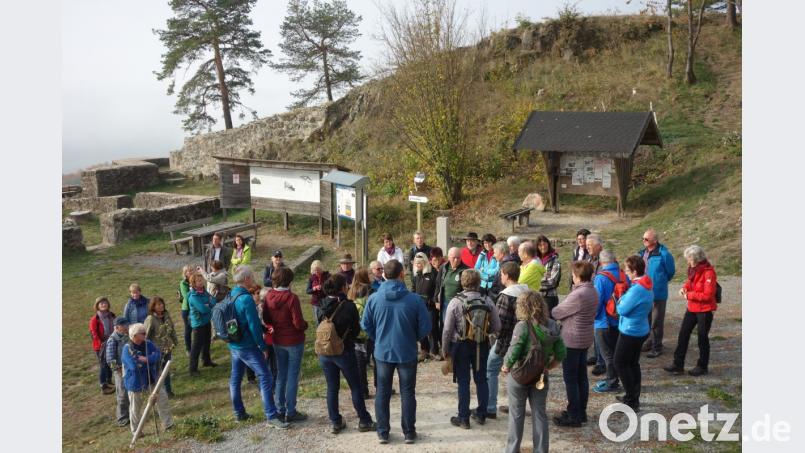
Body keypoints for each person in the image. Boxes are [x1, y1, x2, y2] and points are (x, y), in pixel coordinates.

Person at [362, 259, 431, 444]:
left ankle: (383, 432)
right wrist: (413, 337)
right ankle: (409, 432)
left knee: (382, 392)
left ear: (384, 274)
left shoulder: (374, 298)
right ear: (402, 274)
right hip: (406, 351)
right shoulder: (414, 299)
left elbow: (365, 324)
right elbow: (426, 326)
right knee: (407, 392)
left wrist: (378, 338)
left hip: (383, 351)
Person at [502, 290, 565, 453]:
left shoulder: (522, 326)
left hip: (519, 376)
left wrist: (505, 366)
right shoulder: (552, 325)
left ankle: (512, 450)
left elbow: (514, 352)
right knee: (540, 414)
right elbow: (561, 354)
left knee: (516, 416)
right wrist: (548, 367)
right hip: (540, 376)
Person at [228, 266, 290, 429]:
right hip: (247, 345)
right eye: (252, 276)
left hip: (234, 343)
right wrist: (262, 346)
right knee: (266, 376)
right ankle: (271, 415)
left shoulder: (231, 294)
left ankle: (239, 412)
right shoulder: (246, 299)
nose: (255, 278)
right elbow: (254, 326)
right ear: (247, 278)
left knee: (235, 379)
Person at [317, 274, 377, 434]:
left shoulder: (321, 304)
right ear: (343, 287)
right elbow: (356, 330)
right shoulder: (348, 306)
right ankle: (364, 420)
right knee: (355, 387)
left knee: (332, 388)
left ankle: (335, 421)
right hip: (344, 350)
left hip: (324, 351)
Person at [442, 268, 501, 429]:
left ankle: (463, 417)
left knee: (463, 381)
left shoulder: (456, 301)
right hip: (481, 344)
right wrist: (485, 333)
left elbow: (447, 329)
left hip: (461, 345)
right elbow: (497, 326)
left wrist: (445, 349)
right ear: (478, 282)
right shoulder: (487, 300)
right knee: (481, 379)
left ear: (462, 282)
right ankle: (481, 414)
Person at [551, 261, 598, 427]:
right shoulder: (592, 290)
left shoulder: (578, 294)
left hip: (572, 339)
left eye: (572, 274)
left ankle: (574, 415)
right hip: (585, 338)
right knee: (581, 377)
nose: (571, 276)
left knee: (570, 378)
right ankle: (580, 411)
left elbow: (557, 312)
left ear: (577, 276)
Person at [263, 267, 309, 422]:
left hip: (278, 339)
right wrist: (305, 325)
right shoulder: (291, 298)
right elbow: (298, 323)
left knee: (281, 374)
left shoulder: (269, 296)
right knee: (292, 376)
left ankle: (280, 409)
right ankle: (291, 410)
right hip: (294, 340)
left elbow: (266, 318)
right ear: (289, 281)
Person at [664, 245, 717, 377]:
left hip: (705, 310)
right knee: (683, 334)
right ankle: (678, 364)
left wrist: (689, 295)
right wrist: (684, 288)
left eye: (689, 259)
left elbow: (708, 295)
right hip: (692, 308)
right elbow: (689, 282)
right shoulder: (693, 269)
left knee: (702, 338)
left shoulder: (709, 272)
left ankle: (702, 366)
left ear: (697, 259)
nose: (687, 261)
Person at [486, 261, 529, 418]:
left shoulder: (506, 295)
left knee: (491, 369)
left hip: (506, 342)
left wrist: (492, 336)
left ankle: (490, 407)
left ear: (507, 275)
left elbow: (501, 323)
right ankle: (517, 406)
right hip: (524, 340)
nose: (500, 277)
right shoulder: (526, 291)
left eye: (501, 274)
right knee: (518, 373)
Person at [613, 256, 654, 412]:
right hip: (640, 327)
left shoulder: (637, 289)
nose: (625, 273)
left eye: (627, 270)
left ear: (635, 271)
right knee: (632, 363)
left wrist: (621, 299)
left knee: (620, 363)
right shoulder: (646, 283)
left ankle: (631, 399)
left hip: (631, 330)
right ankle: (633, 395)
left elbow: (621, 309)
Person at [122, 323, 173, 433]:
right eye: (143, 333)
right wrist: (150, 360)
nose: (146, 334)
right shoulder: (127, 349)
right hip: (136, 383)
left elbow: (158, 354)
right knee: (135, 408)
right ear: (135, 335)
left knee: (163, 400)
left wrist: (145, 359)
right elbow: (133, 366)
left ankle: (168, 424)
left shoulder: (148, 343)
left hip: (152, 379)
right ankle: (136, 431)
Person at [637, 228, 676, 358]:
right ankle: (649, 342)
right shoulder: (642, 253)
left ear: (655, 240)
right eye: (642, 238)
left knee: (656, 321)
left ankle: (657, 347)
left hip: (658, 293)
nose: (643, 241)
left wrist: (660, 281)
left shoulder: (664, 254)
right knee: (646, 319)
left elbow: (670, 272)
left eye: (646, 239)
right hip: (644, 292)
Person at [592, 250, 625, 394]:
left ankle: (612, 381)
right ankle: (616, 378)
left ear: (600, 262)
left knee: (607, 354)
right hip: (620, 320)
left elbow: (597, 301)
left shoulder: (601, 278)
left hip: (603, 321)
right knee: (616, 352)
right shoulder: (623, 274)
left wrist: (593, 317)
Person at [144, 296, 178, 398]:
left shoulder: (166, 315)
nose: (161, 306)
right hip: (156, 350)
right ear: (153, 307)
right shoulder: (150, 319)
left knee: (166, 371)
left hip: (167, 348)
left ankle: (168, 391)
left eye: (162, 303)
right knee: (158, 372)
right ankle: (158, 393)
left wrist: (174, 341)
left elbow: (171, 329)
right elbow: (145, 335)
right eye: (158, 304)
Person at [349, 267, 374, 399]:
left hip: (355, 330)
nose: (372, 274)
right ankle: (367, 388)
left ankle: (362, 389)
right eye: (369, 273)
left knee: (359, 362)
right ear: (364, 276)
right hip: (366, 331)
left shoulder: (352, 289)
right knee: (367, 360)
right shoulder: (367, 289)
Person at [187, 273, 217, 376]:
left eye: (201, 280)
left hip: (206, 321)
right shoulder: (193, 296)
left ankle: (206, 361)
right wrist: (209, 305)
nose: (201, 282)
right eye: (198, 281)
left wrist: (208, 304)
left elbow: (214, 300)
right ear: (194, 283)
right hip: (198, 324)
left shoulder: (204, 292)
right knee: (196, 347)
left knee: (207, 343)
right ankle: (193, 369)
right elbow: (203, 309)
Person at [411, 252, 438, 360]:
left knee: (432, 328)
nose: (418, 264)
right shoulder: (416, 275)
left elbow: (437, 289)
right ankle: (424, 350)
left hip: (430, 305)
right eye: (416, 263)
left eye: (420, 262)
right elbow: (413, 289)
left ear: (425, 262)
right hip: (418, 305)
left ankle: (434, 351)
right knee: (420, 328)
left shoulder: (433, 273)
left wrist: (433, 300)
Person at [584, 233, 605, 370]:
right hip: (591, 297)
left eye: (590, 245)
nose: (588, 248)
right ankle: (597, 356)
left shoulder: (604, 259)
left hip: (601, 299)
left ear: (598, 246)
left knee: (600, 331)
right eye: (586, 246)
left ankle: (601, 362)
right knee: (594, 330)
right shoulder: (589, 258)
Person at [434, 247, 469, 326]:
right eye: (454, 258)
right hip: (446, 303)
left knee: (458, 327)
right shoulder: (443, 268)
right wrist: (436, 300)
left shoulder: (466, 270)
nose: (456, 260)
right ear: (449, 257)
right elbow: (438, 284)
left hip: (459, 305)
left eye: (458, 258)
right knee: (446, 326)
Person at [106, 316, 130, 426]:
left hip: (128, 368)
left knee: (129, 392)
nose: (127, 326)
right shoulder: (112, 340)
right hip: (119, 371)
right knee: (122, 395)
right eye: (124, 325)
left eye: (127, 324)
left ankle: (130, 414)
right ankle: (122, 419)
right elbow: (110, 360)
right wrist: (118, 370)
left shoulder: (125, 336)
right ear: (117, 327)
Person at [89, 296, 116, 395]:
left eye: (105, 303)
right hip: (101, 345)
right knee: (103, 364)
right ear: (97, 306)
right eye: (101, 304)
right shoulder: (94, 319)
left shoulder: (112, 315)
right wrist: (101, 344)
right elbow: (94, 333)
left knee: (111, 362)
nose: (103, 305)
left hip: (111, 342)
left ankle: (109, 381)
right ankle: (103, 385)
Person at [535, 235, 561, 314]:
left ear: (548, 244)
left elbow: (552, 281)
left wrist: (536, 282)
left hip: (549, 297)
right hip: (536, 297)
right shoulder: (535, 260)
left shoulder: (554, 260)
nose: (543, 247)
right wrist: (544, 277)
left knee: (548, 323)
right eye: (540, 245)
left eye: (545, 244)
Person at [306, 260, 330, 326]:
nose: (316, 272)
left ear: (321, 268)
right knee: (318, 320)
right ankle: (319, 333)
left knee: (327, 319)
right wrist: (314, 288)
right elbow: (307, 291)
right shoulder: (311, 278)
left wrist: (323, 287)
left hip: (326, 301)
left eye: (318, 270)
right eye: (314, 270)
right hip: (316, 302)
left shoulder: (327, 276)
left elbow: (331, 287)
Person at [178, 265, 193, 356]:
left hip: (196, 308)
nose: (191, 272)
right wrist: (193, 289)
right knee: (188, 329)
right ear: (185, 273)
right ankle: (188, 349)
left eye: (192, 270)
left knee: (198, 329)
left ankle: (200, 346)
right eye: (189, 271)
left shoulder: (196, 280)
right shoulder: (183, 283)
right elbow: (186, 296)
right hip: (187, 309)